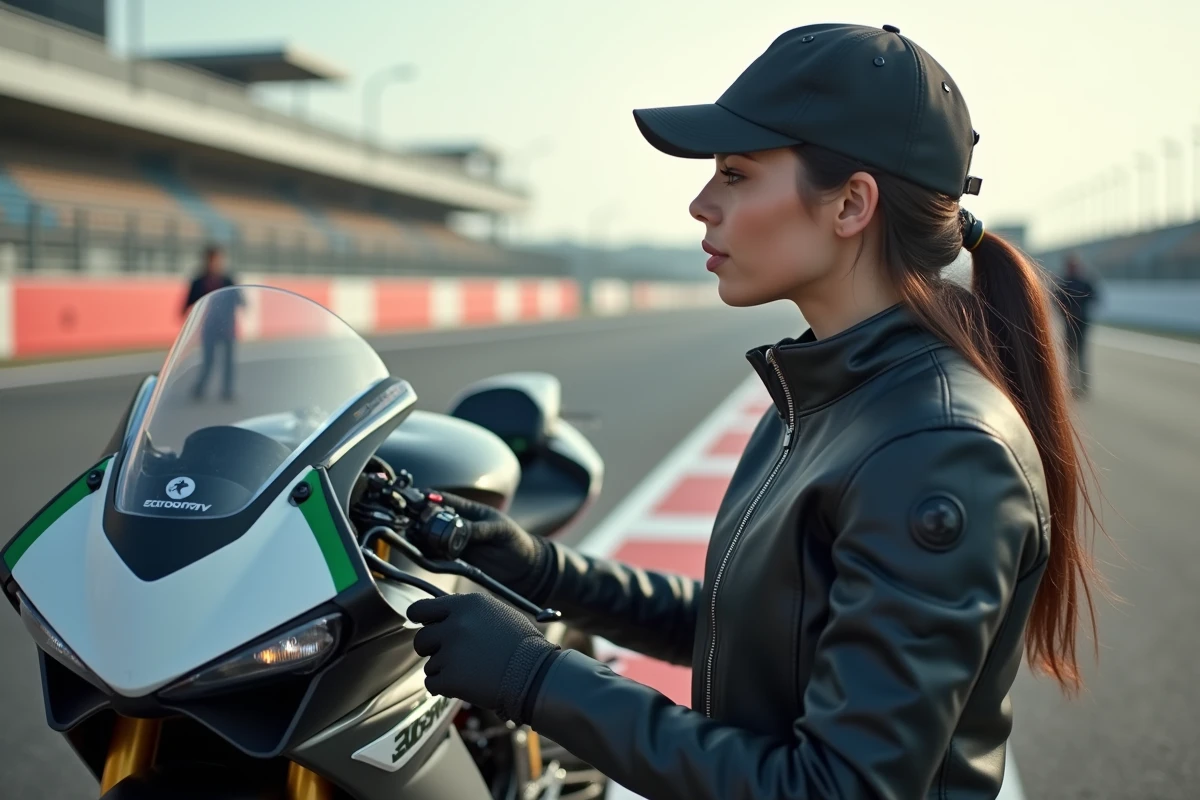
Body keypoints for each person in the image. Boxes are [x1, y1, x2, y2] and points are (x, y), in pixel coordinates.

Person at [404, 23, 1103, 800]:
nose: (702, 204)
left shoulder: (939, 449)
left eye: (736, 174)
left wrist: (535, 678)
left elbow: (836, 789)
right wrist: (536, 568)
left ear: (851, 204)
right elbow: (750, 625)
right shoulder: (830, 388)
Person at [183, 244, 243, 401]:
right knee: (208, 360)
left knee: (228, 361)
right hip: (209, 328)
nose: (215, 263)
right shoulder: (198, 281)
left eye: (217, 260)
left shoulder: (228, 280)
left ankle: (227, 390)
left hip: (227, 327)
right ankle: (200, 387)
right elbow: (187, 304)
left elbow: (241, 301)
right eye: (212, 260)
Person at [1055, 253, 1100, 397]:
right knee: (1070, 354)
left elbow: (1095, 297)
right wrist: (1065, 311)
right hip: (1070, 322)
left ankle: (1083, 385)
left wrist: (1081, 306)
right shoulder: (1064, 281)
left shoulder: (1085, 281)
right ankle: (1070, 384)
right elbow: (1056, 299)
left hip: (1082, 322)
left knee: (1080, 353)